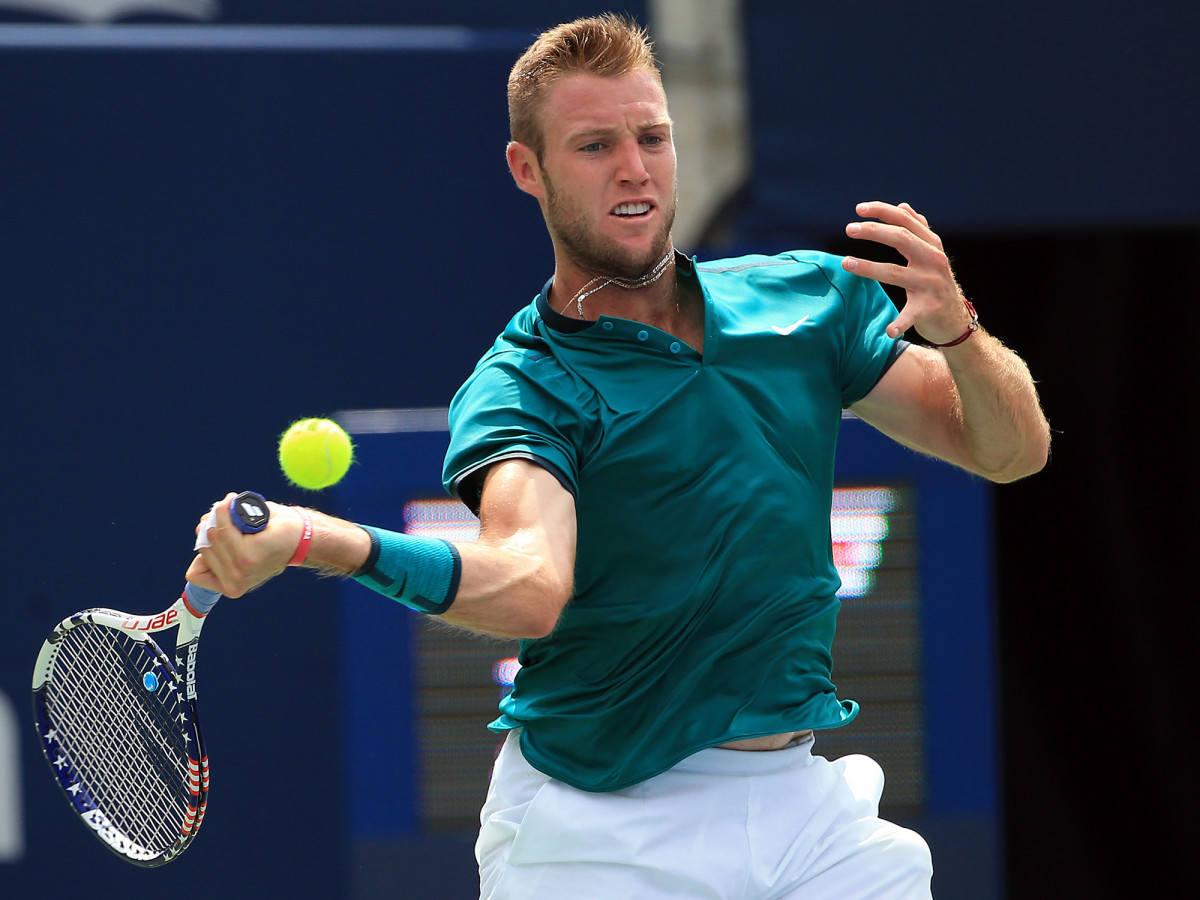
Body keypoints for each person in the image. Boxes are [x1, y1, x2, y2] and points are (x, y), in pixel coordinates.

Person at [188, 14, 1050, 900]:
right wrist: (319, 538)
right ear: (529, 170)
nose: (633, 167)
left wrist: (960, 330)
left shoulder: (806, 302)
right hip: (597, 831)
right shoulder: (524, 385)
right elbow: (528, 583)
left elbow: (1014, 451)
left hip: (804, 811)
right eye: (595, 145)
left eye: (652, 137)